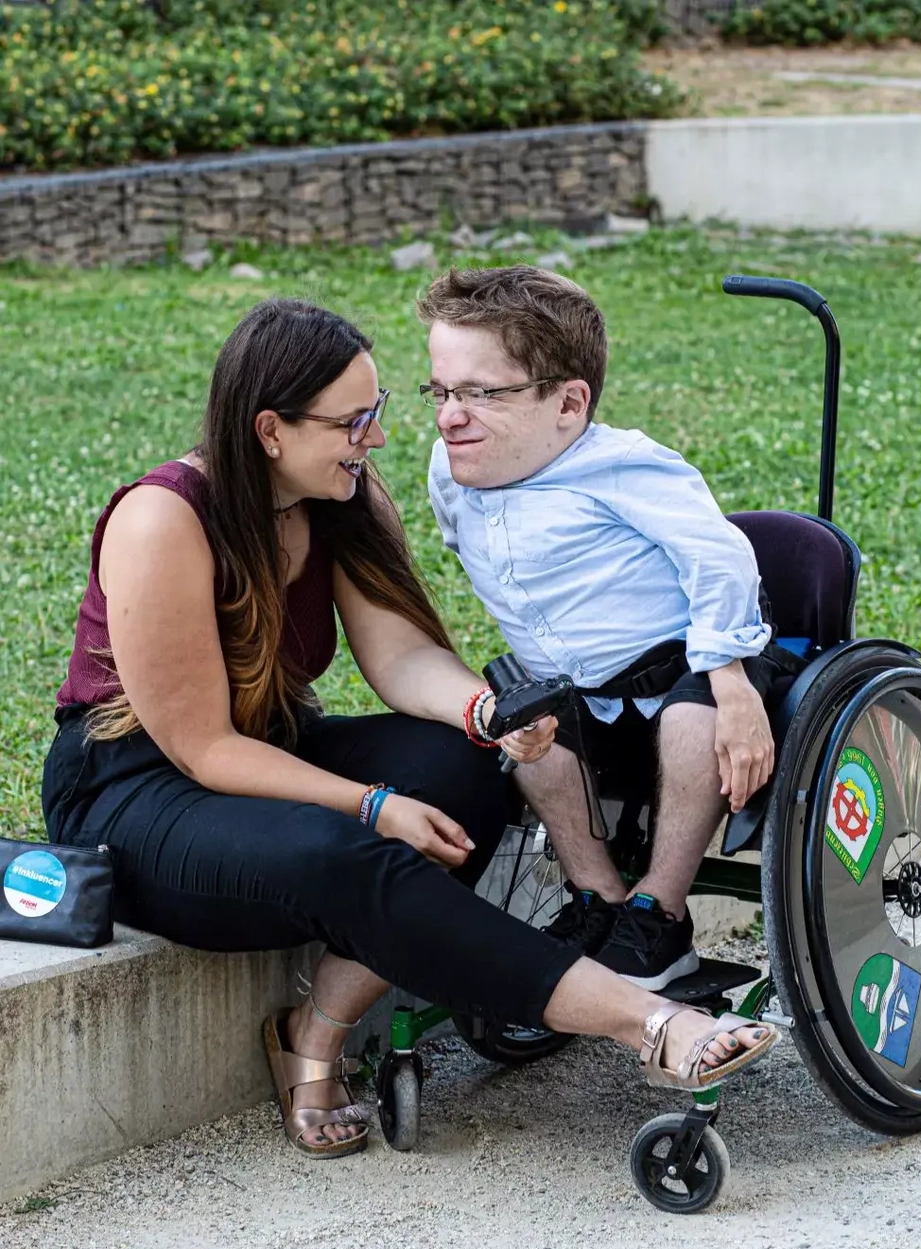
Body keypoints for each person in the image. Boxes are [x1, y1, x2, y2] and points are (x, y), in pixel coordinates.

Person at [41, 297, 777, 1163]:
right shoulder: (163, 519)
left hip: (269, 747)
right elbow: (203, 748)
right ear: (270, 430)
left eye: (379, 409)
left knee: (466, 768)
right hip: (133, 789)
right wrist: (372, 803)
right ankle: (649, 1020)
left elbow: (398, 655)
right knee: (346, 849)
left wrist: (489, 715)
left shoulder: (340, 494)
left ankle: (314, 1026)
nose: (379, 437)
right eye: (354, 421)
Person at [421, 266, 779, 992]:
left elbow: (720, 559)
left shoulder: (624, 467)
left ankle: (659, 915)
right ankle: (599, 898)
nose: (449, 416)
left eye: (482, 393)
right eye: (443, 390)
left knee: (688, 722)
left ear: (570, 402)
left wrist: (734, 687)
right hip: (579, 695)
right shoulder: (452, 472)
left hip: (689, 669)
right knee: (529, 736)